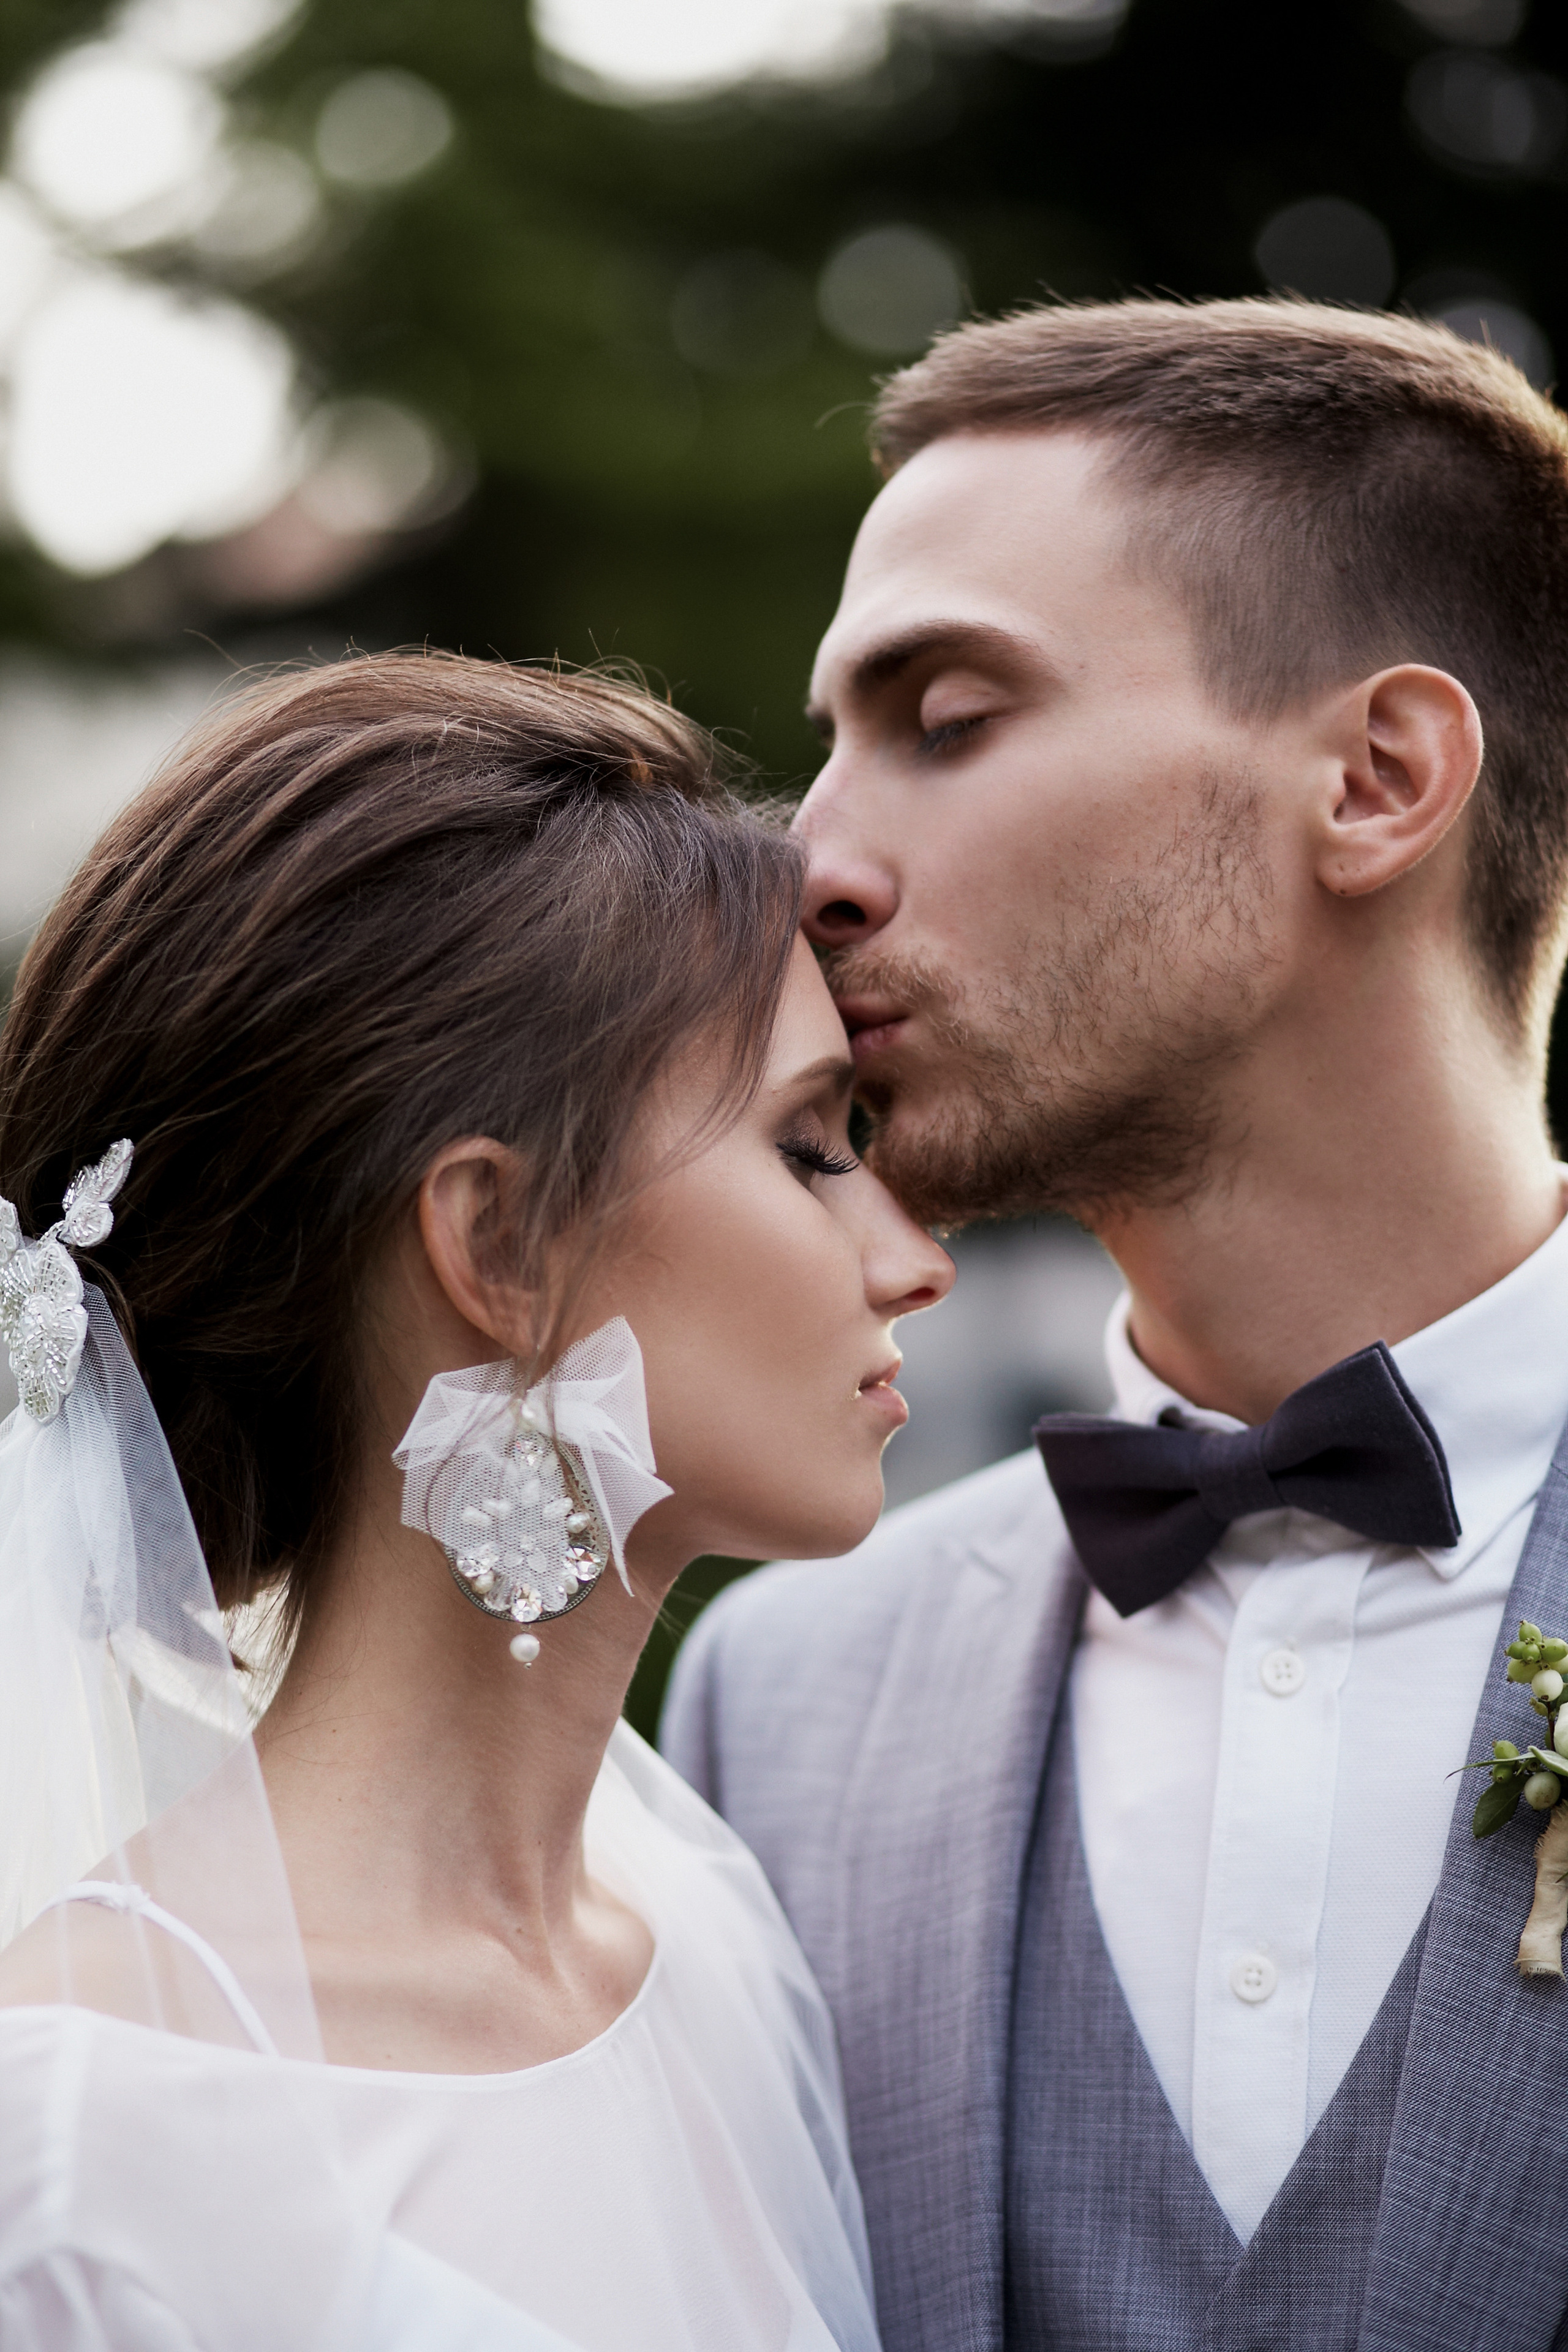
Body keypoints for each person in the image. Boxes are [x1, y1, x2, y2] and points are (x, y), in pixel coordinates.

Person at [660, 296, 1568, 2352]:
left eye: (947, 718)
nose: (809, 863)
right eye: (830, 746)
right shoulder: (774, 1703)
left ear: (1380, 778)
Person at [0, 652, 952, 2349]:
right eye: (813, 1150)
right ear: (498, 1245)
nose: (912, 1259)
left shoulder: (715, 1945)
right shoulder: (84, 2134)